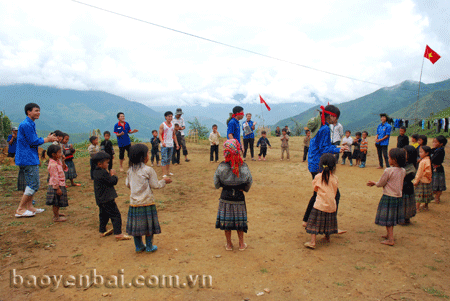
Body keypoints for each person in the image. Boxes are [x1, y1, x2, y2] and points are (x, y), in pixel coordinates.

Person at [303, 105, 347, 234]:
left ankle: (306, 220)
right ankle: (330, 225)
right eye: (336, 118)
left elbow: (322, 146)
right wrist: (338, 149)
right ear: (332, 116)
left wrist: (337, 147)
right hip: (320, 164)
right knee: (334, 194)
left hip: (313, 163)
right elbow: (324, 149)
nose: (336, 120)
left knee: (317, 193)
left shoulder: (318, 126)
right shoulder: (325, 129)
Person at [126, 144, 171, 253]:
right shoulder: (148, 170)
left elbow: (128, 184)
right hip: (147, 202)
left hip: (134, 203)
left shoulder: (130, 170)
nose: (148, 155)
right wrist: (164, 181)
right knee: (148, 226)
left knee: (136, 226)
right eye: (147, 154)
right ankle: (149, 246)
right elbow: (155, 185)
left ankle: (139, 246)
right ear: (142, 157)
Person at [15, 103, 57, 218]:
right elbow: (33, 141)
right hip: (27, 158)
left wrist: (45, 139)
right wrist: (47, 139)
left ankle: (29, 207)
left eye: (39, 110)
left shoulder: (29, 123)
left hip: (28, 157)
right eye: (36, 110)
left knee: (31, 183)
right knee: (33, 184)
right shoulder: (26, 125)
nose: (38, 113)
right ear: (29, 112)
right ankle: (20, 209)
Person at [214, 139, 252, 251]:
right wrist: (243, 188)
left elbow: (216, 184)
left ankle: (229, 245)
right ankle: (241, 244)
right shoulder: (243, 166)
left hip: (225, 196)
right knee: (240, 222)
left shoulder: (221, 167)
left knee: (227, 222)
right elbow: (249, 181)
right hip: (239, 197)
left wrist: (224, 185)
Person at [367, 148, 406, 246]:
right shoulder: (403, 170)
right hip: (398, 197)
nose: (388, 159)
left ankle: (391, 239)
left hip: (388, 196)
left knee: (388, 219)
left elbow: (381, 183)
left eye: (389, 157)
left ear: (394, 160)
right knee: (391, 218)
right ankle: (389, 235)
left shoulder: (388, 170)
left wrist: (374, 183)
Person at [93, 152, 131, 241]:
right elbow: (112, 181)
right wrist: (113, 175)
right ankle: (118, 233)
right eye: (106, 162)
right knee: (115, 215)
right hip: (107, 199)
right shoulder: (103, 173)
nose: (108, 164)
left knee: (103, 214)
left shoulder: (95, 172)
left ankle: (102, 230)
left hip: (100, 199)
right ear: (100, 164)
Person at [304, 153, 339, 249]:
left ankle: (312, 242)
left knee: (314, 223)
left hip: (320, 205)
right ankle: (327, 237)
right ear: (334, 166)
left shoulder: (318, 177)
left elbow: (315, 189)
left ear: (321, 164)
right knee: (328, 221)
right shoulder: (335, 178)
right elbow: (335, 192)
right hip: (331, 205)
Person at [45, 144, 69, 222]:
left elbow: (64, 168)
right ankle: (56, 217)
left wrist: (63, 160)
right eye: (59, 152)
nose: (61, 154)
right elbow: (54, 178)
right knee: (55, 202)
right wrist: (57, 188)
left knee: (58, 201)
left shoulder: (57, 161)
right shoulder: (52, 164)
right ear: (54, 154)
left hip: (60, 184)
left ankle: (57, 213)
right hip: (56, 185)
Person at [159, 111, 180, 178]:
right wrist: (162, 142)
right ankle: (164, 173)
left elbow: (174, 135)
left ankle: (168, 172)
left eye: (171, 116)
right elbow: (159, 135)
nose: (170, 118)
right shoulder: (162, 125)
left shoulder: (172, 125)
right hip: (164, 145)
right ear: (165, 117)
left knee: (168, 159)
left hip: (171, 144)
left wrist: (176, 144)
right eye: (169, 116)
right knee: (164, 158)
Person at [414, 146, 433, 211]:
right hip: (428, 180)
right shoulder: (428, 160)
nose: (420, 153)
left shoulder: (422, 162)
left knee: (419, 194)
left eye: (421, 152)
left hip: (422, 180)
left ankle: (417, 208)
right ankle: (426, 206)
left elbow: (419, 172)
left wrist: (416, 181)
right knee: (427, 194)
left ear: (427, 153)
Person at [402, 145, 417, 224]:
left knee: (405, 203)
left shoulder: (410, 166)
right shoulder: (406, 164)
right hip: (406, 186)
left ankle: (405, 219)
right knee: (406, 203)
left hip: (406, 187)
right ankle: (405, 218)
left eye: (405, 153)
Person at [431, 136, 447, 204]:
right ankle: (436, 197)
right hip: (436, 168)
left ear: (441, 144)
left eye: (435, 142)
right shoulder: (436, 149)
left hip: (438, 169)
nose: (433, 143)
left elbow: (433, 159)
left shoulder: (440, 151)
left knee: (439, 185)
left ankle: (437, 198)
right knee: (436, 184)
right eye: (433, 142)